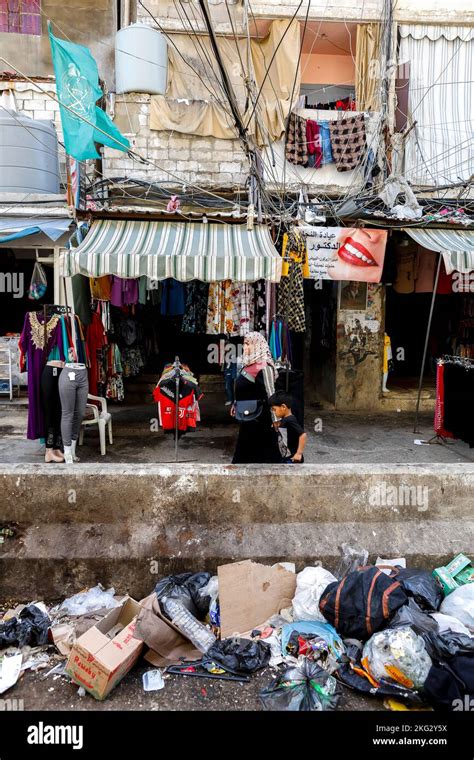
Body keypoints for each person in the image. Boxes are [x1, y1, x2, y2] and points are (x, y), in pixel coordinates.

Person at [231, 332, 282, 464]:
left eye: (248, 344)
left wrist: (275, 418)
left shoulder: (264, 367)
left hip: (260, 419)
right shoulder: (248, 364)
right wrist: (236, 404)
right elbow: (245, 389)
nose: (245, 348)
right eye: (244, 344)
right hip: (248, 416)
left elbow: (271, 393)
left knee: (263, 456)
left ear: (258, 345)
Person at [269, 391, 307, 463]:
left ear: (283, 407)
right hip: (286, 457)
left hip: (292, 459)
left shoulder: (290, 420)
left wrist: (299, 454)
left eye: (274, 409)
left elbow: (303, 435)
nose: (274, 412)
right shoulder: (285, 419)